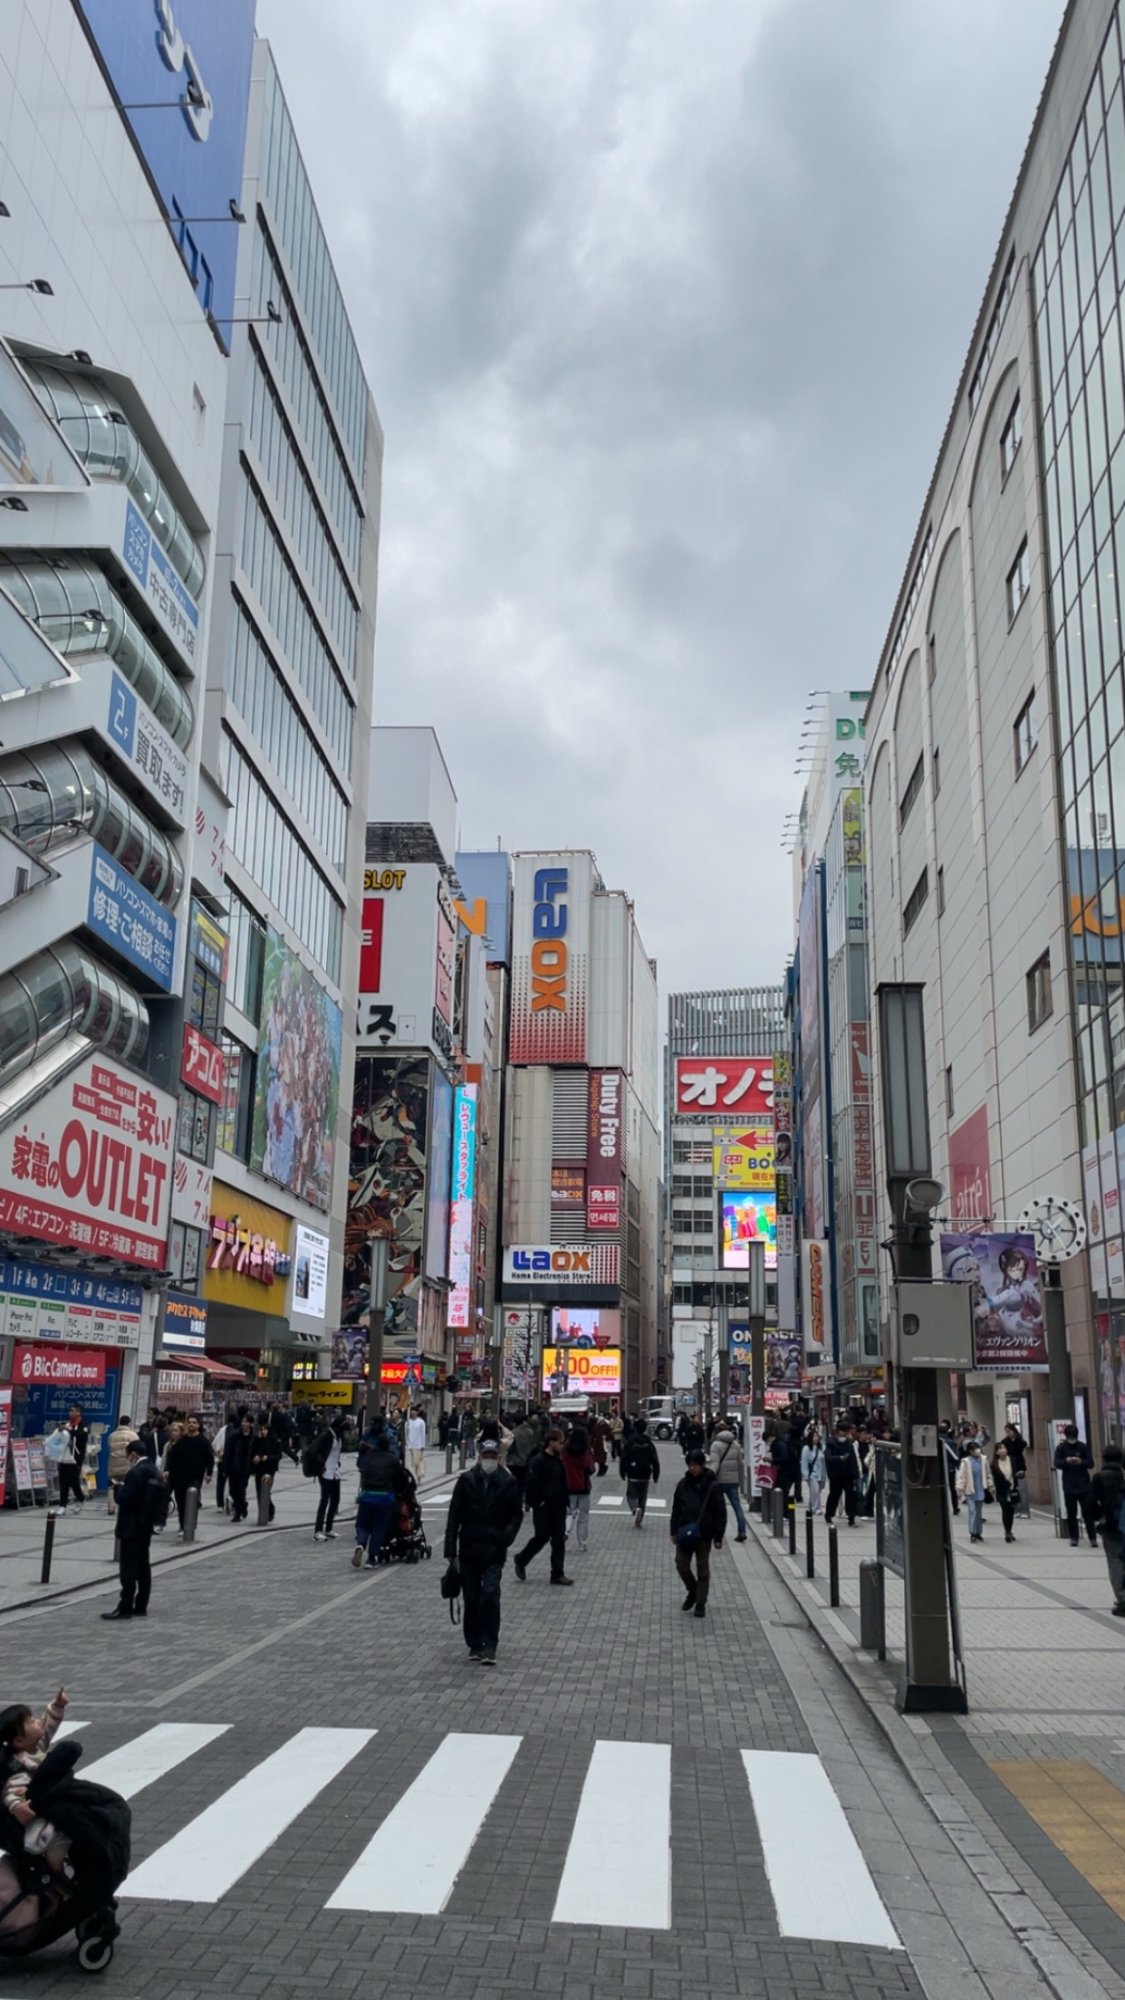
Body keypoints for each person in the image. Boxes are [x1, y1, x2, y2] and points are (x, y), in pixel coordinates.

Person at [444, 1435, 523, 1664]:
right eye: (486, 1455)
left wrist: (506, 1537)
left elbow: (516, 1514)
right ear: (479, 1457)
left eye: (493, 1456)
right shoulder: (466, 1480)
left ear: (499, 1458)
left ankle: (490, 1643)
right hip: (468, 1548)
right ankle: (474, 1643)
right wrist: (450, 1548)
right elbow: (454, 1515)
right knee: (471, 1597)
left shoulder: (508, 1482)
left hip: (494, 1549)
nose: (489, 1459)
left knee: (490, 1594)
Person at [0, 1689, 72, 1877]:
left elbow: (46, 1728)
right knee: (58, 1840)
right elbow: (10, 1791)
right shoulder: (19, 1765)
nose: (38, 1721)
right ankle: (57, 1875)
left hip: (49, 1804)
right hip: (38, 1822)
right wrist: (16, 1807)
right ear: (19, 1741)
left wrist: (57, 1707)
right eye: (31, 1721)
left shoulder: (34, 1747)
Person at [103, 1438, 165, 1619]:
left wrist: (117, 1488)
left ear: (134, 1454)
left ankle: (125, 1605)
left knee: (129, 1568)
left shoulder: (137, 1472)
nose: (127, 1459)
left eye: (127, 1455)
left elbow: (127, 1499)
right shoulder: (153, 1469)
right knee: (143, 1566)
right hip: (145, 1525)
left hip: (131, 1525)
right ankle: (141, 1604)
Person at [670, 1449, 727, 1619]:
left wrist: (718, 1536)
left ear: (702, 1465)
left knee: (702, 1568)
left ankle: (700, 1602)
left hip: (704, 1532)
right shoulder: (682, 1484)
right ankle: (693, 1591)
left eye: (695, 1465)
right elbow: (676, 1509)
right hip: (684, 1531)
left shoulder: (712, 1486)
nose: (692, 1468)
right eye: (690, 1465)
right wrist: (673, 1530)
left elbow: (720, 1512)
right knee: (681, 1564)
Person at [514, 1428, 572, 1584]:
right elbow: (531, 1484)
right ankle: (521, 1559)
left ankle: (557, 1573)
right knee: (541, 1537)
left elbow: (562, 1481)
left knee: (558, 1540)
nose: (562, 1445)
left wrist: (565, 1501)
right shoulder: (538, 1461)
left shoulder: (559, 1460)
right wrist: (539, 1502)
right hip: (544, 1507)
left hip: (558, 1505)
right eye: (560, 1442)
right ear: (551, 1442)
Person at [351, 1424, 408, 1568]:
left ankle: (361, 1545)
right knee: (378, 1528)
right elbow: (401, 1478)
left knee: (363, 1524)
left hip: (367, 1496)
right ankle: (371, 1558)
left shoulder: (368, 1458)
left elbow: (363, 1471)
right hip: (384, 1497)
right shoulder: (393, 1459)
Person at [164, 1415, 214, 1539]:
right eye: (189, 1422)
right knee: (180, 1502)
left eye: (194, 1422)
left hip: (195, 1476)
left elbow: (210, 1458)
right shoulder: (182, 1441)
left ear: (198, 1425)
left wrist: (209, 1473)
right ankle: (182, 1525)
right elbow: (173, 1457)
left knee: (191, 1500)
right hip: (179, 1476)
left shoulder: (203, 1441)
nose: (191, 1425)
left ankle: (190, 1523)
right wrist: (167, 1470)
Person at [1090, 1442, 1125, 1614]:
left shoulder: (1099, 1477)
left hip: (1111, 1526)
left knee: (1115, 1562)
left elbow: (1090, 1504)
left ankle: (1123, 1599)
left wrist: (1099, 1517)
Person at [1054, 1423, 1097, 1547]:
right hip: (1069, 1485)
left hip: (1084, 1485)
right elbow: (1057, 1463)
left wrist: (1081, 1462)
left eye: (1073, 1436)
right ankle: (1074, 1537)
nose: (1072, 1438)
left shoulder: (1082, 1447)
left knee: (1088, 1513)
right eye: (1070, 1436)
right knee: (1071, 1513)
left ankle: (1092, 1538)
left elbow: (1091, 1463)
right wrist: (1066, 1462)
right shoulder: (1061, 1447)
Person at [708, 1415, 747, 1541]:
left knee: (716, 1507)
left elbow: (715, 1463)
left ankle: (716, 1531)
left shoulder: (716, 1445)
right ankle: (742, 1531)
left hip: (719, 1480)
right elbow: (741, 1463)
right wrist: (740, 1481)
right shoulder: (735, 1444)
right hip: (733, 1481)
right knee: (737, 1506)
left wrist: (708, 1477)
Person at [620, 1416, 660, 1526]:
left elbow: (624, 1458)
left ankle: (634, 1508)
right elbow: (655, 1460)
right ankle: (640, 1517)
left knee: (631, 1495)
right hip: (645, 1474)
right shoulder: (649, 1443)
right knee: (643, 1497)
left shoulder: (630, 1441)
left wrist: (622, 1472)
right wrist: (656, 1475)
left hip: (632, 1473)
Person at [313, 1415, 347, 1542]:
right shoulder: (327, 1436)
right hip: (326, 1471)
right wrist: (321, 1465)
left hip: (335, 1471)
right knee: (324, 1500)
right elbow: (318, 1452)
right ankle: (318, 1530)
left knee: (335, 1500)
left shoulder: (338, 1436)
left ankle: (329, 1528)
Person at [562, 1425, 595, 1553]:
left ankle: (565, 1531)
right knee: (583, 1516)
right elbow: (591, 1469)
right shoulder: (586, 1451)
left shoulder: (565, 1450)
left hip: (568, 1485)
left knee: (569, 1512)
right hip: (583, 1485)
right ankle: (582, 1542)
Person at [955, 1440, 993, 1541]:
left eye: (978, 1448)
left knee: (979, 1512)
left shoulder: (984, 1460)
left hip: (980, 1489)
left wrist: (990, 1485)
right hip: (970, 1490)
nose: (977, 1451)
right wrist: (960, 1489)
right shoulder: (966, 1462)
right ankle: (972, 1532)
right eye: (975, 1449)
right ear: (970, 1451)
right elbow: (961, 1476)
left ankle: (978, 1532)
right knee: (972, 1511)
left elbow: (988, 1474)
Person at [824, 1424, 860, 1527]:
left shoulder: (849, 1444)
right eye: (843, 1431)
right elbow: (828, 1458)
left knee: (851, 1497)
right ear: (838, 1431)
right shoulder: (831, 1443)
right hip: (836, 1476)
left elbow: (853, 1460)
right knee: (834, 1496)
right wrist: (839, 1458)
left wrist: (855, 1475)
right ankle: (829, 1515)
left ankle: (851, 1518)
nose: (845, 1434)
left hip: (848, 1475)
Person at [222, 1414, 254, 1523]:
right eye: (243, 1421)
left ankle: (238, 1512)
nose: (244, 1424)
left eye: (246, 1422)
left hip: (245, 1468)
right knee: (233, 1491)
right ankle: (243, 1505)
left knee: (241, 1490)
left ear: (251, 1424)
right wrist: (225, 1468)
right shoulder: (234, 1436)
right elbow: (227, 1453)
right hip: (234, 1467)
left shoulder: (253, 1438)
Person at [56, 1405, 88, 1511]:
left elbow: (80, 1436)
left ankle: (80, 1498)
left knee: (74, 1482)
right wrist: (60, 1430)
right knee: (63, 1482)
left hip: (75, 1459)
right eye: (69, 1411)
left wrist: (68, 1429)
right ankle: (62, 1506)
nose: (70, 1413)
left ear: (78, 1413)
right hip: (63, 1458)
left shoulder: (83, 1426)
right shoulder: (68, 1424)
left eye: (72, 1411)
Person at [251, 1420, 280, 1522]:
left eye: (265, 1430)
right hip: (259, 1468)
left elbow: (278, 1456)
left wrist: (267, 1458)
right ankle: (263, 1512)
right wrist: (256, 1457)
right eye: (261, 1430)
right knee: (259, 1492)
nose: (263, 1432)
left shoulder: (274, 1441)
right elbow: (254, 1451)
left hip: (269, 1469)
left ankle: (269, 1510)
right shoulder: (258, 1441)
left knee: (266, 1491)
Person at [990, 1439, 1018, 1542]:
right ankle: (1007, 1531)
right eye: (1000, 1448)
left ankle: (1009, 1530)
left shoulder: (1012, 1460)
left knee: (1011, 1511)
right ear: (997, 1452)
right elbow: (994, 1479)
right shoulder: (994, 1464)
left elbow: (1016, 1473)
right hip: (1002, 1491)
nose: (1003, 1450)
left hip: (1012, 1490)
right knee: (1005, 1510)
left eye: (1004, 1448)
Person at [1003, 1422, 1031, 1518]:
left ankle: (1025, 1510)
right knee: (1013, 1490)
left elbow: (1022, 1446)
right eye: (1006, 1432)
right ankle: (1016, 1509)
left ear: (1014, 1431)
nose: (1008, 1434)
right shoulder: (1005, 1442)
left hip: (1019, 1466)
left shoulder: (1020, 1441)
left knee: (1022, 1490)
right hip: (1010, 1467)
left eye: (1009, 1431)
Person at [801, 1426, 826, 1514]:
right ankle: (816, 1508)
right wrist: (805, 1475)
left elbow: (824, 1462)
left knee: (817, 1492)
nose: (816, 1438)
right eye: (814, 1436)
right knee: (814, 1490)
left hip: (821, 1473)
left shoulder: (821, 1448)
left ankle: (811, 1507)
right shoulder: (806, 1449)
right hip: (812, 1474)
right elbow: (804, 1462)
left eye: (817, 1436)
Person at [939, 1420, 961, 1515]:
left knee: (941, 1488)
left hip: (939, 1468)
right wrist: (956, 1465)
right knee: (952, 1488)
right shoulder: (951, 1442)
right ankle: (955, 1507)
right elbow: (955, 1456)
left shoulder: (937, 1441)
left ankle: (942, 1507)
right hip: (950, 1468)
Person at [405, 1405, 427, 1485]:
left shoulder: (421, 1422)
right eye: (412, 1411)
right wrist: (407, 1443)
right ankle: (411, 1477)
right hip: (410, 1445)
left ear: (417, 1412)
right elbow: (406, 1434)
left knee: (418, 1462)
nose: (413, 1412)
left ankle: (419, 1477)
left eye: (415, 1411)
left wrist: (422, 1445)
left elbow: (423, 1434)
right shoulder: (407, 1423)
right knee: (409, 1463)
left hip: (418, 1445)